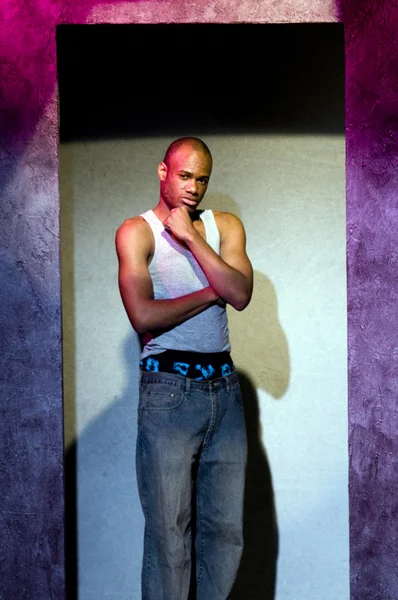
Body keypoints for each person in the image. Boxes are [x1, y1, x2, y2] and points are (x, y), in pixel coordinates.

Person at [115, 137, 253, 600]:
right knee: (169, 537)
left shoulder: (224, 225)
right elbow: (144, 317)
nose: (194, 187)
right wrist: (214, 291)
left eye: (203, 178)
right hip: (168, 390)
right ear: (163, 172)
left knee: (225, 533)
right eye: (185, 175)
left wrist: (193, 238)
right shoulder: (137, 232)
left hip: (225, 392)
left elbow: (243, 294)